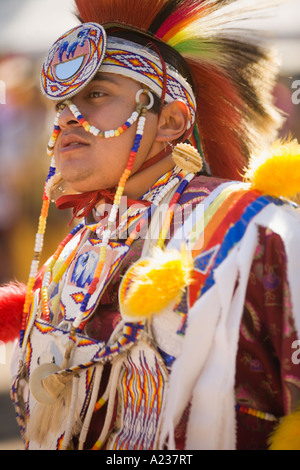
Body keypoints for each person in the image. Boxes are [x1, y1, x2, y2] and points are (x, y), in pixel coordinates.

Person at [1, 0, 300, 451]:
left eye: (96, 95)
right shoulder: (75, 251)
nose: (66, 117)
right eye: (63, 102)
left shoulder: (252, 229)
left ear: (172, 122)